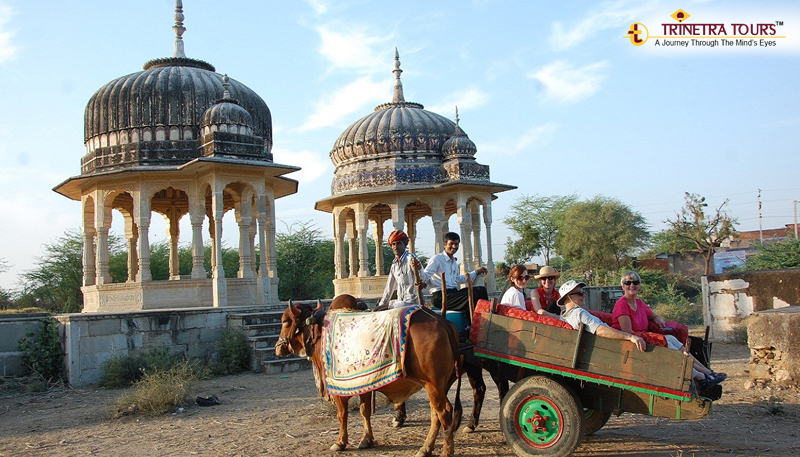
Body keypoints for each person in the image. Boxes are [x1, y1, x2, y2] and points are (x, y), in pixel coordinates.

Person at [612, 271, 726, 388]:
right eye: (628, 283)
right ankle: (700, 377)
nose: (632, 285)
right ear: (623, 286)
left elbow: (653, 315)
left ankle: (707, 372)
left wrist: (658, 319)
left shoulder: (639, 303)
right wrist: (651, 336)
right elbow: (627, 332)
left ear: (639, 285)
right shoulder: (622, 304)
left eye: (635, 282)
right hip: (632, 342)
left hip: (644, 338)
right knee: (671, 348)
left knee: (673, 340)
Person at [546, 280, 647, 352]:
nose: (584, 295)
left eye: (583, 292)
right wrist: (630, 337)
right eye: (580, 293)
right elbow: (600, 330)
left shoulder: (565, 315)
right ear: (568, 297)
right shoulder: (579, 313)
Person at [422, 232, 489, 311]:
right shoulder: (437, 259)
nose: (454, 246)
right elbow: (425, 276)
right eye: (451, 244)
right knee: (472, 296)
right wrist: (421, 277)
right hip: (441, 296)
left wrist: (477, 272)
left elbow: (458, 279)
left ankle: (486, 316)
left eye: (456, 244)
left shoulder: (453, 261)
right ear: (445, 244)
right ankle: (474, 322)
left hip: (453, 293)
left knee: (481, 290)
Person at [376, 230, 423, 310]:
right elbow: (389, 288)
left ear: (404, 244)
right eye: (393, 244)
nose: (395, 247)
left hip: (412, 302)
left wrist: (419, 269)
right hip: (400, 302)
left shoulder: (411, 259)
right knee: (378, 309)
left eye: (398, 243)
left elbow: (423, 277)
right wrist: (381, 304)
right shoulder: (394, 265)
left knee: (378, 309)